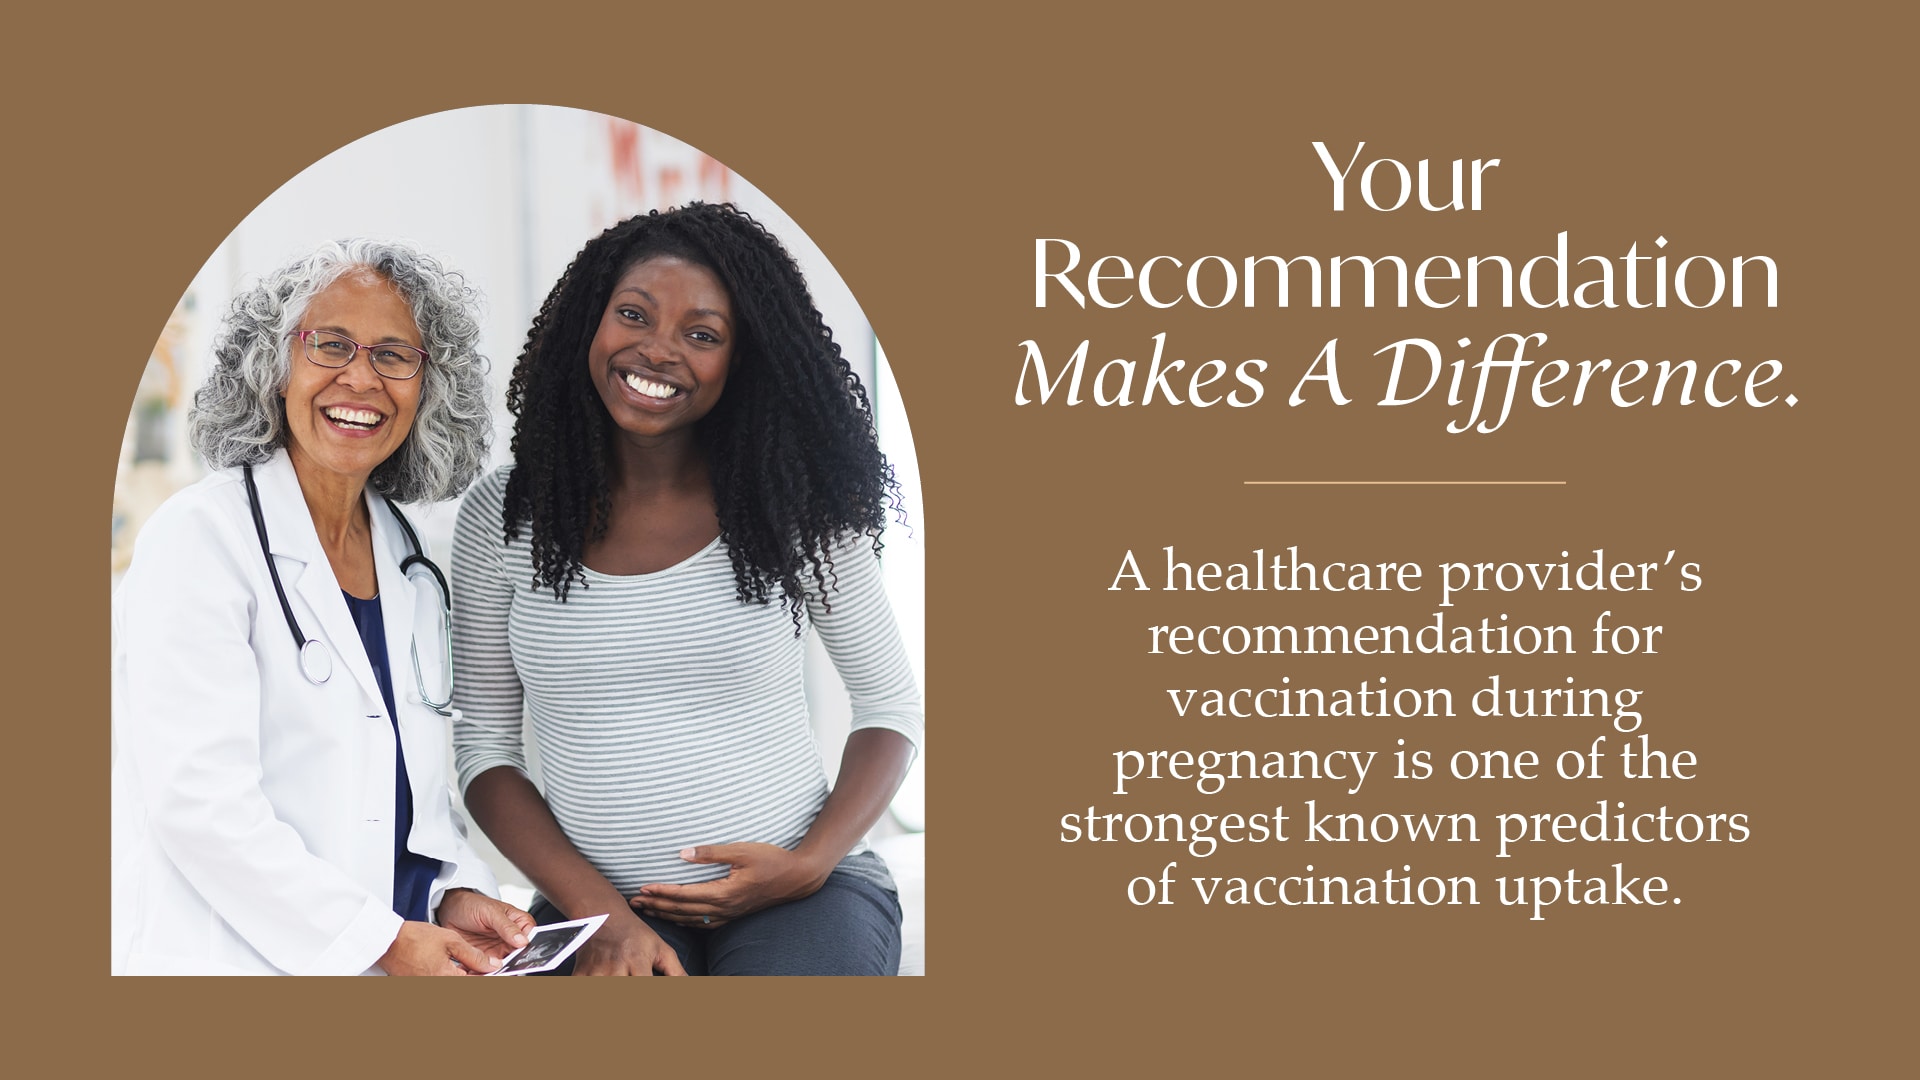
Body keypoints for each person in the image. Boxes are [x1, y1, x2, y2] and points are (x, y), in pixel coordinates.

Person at [452, 203, 921, 976]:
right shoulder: (503, 517)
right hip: (596, 907)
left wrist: (809, 862)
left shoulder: (790, 503)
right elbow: (486, 754)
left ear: (744, 361)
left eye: (702, 335)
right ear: (587, 327)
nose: (657, 349)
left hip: (805, 894)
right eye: (633, 314)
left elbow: (891, 709)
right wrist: (595, 913)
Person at [111, 240, 536, 975]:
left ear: (428, 385)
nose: (361, 378)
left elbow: (416, 800)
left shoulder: (412, 556)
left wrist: (454, 892)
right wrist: (385, 941)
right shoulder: (200, 539)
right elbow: (201, 808)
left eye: (394, 355)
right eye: (330, 345)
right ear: (273, 368)